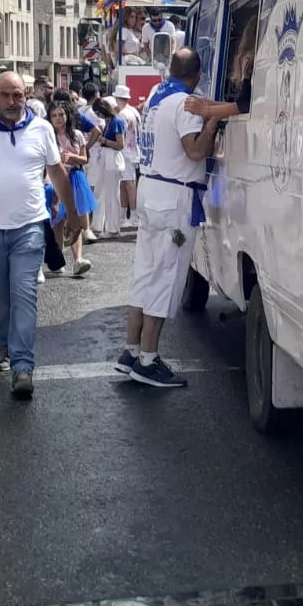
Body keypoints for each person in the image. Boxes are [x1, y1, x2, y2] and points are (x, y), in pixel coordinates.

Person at [0, 71, 81, 400]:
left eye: (19, 95)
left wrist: (74, 215)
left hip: (29, 226)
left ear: (26, 96)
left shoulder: (41, 128)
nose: (13, 102)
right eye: (6, 95)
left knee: (24, 294)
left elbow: (57, 172)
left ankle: (22, 365)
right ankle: (3, 341)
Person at [118, 49, 222, 388]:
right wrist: (212, 123)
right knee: (166, 276)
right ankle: (148, 359)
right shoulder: (185, 103)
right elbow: (194, 151)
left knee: (145, 272)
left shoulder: (156, 100)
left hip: (151, 190)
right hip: (174, 197)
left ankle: (131, 351)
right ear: (197, 75)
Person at [48, 102, 97, 274]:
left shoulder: (77, 135)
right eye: (54, 115)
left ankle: (78, 259)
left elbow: (85, 159)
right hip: (54, 180)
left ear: (67, 115)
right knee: (58, 222)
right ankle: (58, 258)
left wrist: (72, 157)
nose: (58, 119)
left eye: (61, 115)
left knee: (76, 220)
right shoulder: (48, 136)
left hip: (75, 178)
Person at [87, 96, 126, 239]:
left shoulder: (117, 121)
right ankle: (98, 225)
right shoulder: (110, 121)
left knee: (111, 195)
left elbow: (120, 144)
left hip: (112, 157)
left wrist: (104, 141)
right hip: (106, 157)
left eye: (98, 112)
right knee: (101, 191)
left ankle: (113, 228)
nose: (97, 115)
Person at [115, 85, 140, 216]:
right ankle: (125, 214)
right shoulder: (133, 111)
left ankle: (134, 215)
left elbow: (121, 134)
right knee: (125, 183)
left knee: (129, 183)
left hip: (126, 152)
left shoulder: (122, 114)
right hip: (133, 151)